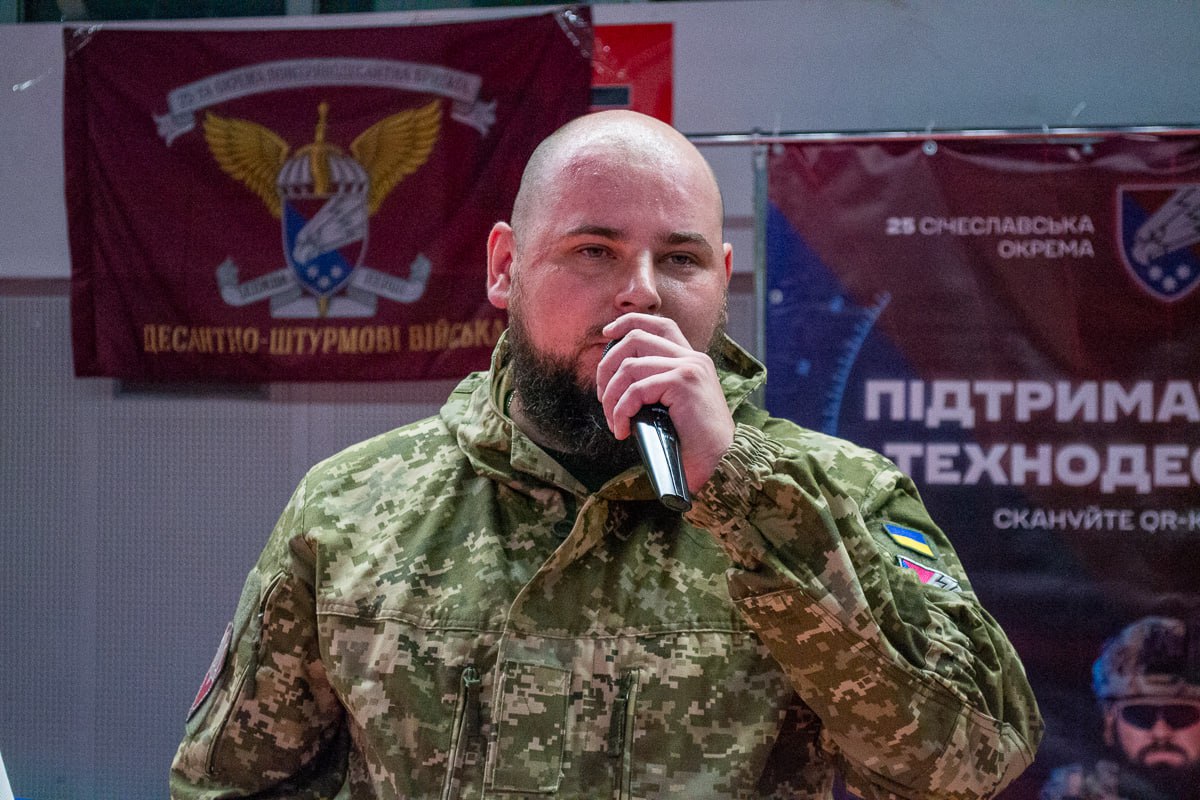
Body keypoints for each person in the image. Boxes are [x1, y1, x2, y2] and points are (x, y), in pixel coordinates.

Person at [170, 109, 1042, 799]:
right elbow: (229, 783)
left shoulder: (842, 494)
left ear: (722, 280)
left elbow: (971, 764)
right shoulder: (354, 504)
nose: (642, 293)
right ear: (505, 267)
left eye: (681, 259)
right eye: (594, 251)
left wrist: (743, 493)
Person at [1041, 616, 1200, 800]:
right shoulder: (1077, 790)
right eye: (1140, 716)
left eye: (1181, 715)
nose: (1161, 732)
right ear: (1110, 720)